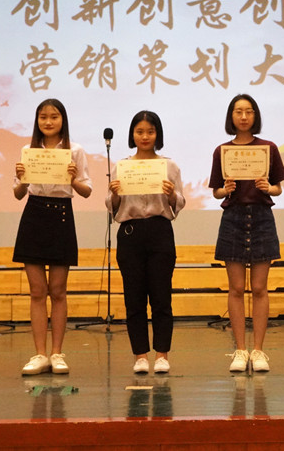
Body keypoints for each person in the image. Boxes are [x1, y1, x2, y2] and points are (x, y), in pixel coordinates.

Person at [208, 94, 284, 372]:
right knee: (236, 289)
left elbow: (278, 188)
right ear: (231, 116)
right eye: (238, 111)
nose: (244, 116)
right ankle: (240, 350)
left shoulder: (268, 148)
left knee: (260, 288)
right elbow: (216, 191)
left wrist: (268, 187)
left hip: (262, 217)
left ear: (255, 116)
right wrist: (225, 189)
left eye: (249, 111)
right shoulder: (222, 151)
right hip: (233, 218)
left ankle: (259, 351)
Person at [14, 99, 92, 375]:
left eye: (54, 116)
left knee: (58, 291)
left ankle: (57, 353)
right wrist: (22, 179)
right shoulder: (28, 150)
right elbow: (18, 193)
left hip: (61, 215)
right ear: (37, 121)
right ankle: (39, 354)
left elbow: (87, 191)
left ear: (63, 120)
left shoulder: (75, 150)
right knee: (37, 291)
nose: (48, 122)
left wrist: (73, 180)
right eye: (43, 117)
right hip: (34, 214)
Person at [106, 111, 185, 374]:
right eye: (139, 132)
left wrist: (171, 194)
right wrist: (115, 194)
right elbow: (111, 206)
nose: (145, 136)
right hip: (130, 233)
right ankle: (140, 356)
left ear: (157, 134)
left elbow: (180, 202)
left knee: (161, 297)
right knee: (134, 299)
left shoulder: (169, 166)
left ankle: (162, 355)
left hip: (160, 231)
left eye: (150, 131)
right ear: (132, 135)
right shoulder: (122, 166)